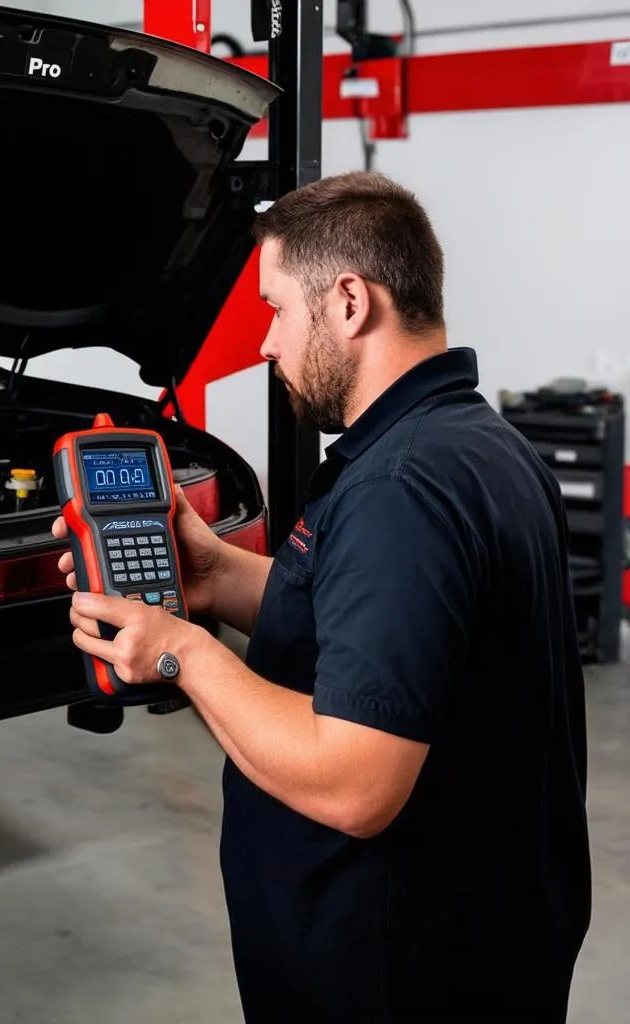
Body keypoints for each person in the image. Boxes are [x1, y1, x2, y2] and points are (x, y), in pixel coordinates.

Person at [52, 170, 591, 1023]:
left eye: (274, 309)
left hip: (397, 974)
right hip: (483, 939)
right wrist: (213, 573)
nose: (265, 343)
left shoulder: (400, 490)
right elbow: (380, 626)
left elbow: (354, 785)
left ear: (347, 302)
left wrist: (179, 651)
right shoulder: (477, 445)